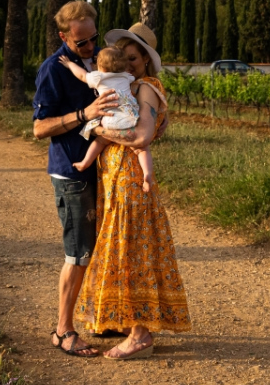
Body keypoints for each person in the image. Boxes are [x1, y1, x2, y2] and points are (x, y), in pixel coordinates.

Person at [75, 22, 191, 360]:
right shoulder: (131, 87)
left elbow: (140, 138)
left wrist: (99, 129)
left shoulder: (146, 88)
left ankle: (140, 335)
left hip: (129, 181)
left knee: (131, 253)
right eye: (122, 59)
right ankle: (131, 325)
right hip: (118, 179)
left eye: (132, 59)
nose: (126, 65)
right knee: (125, 250)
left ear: (145, 61)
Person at [33, 0, 118, 358]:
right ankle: (63, 330)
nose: (88, 48)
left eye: (92, 39)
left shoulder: (102, 60)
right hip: (71, 172)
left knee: (105, 248)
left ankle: (103, 318)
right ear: (63, 35)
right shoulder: (52, 70)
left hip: (105, 170)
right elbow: (40, 128)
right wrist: (84, 114)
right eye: (80, 42)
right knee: (79, 252)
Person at [58, 46, 156, 193]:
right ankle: (147, 174)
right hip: (129, 117)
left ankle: (85, 162)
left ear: (100, 67)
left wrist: (69, 64)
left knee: (99, 141)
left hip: (109, 120)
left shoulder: (97, 77)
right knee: (142, 149)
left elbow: (83, 75)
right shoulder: (127, 77)